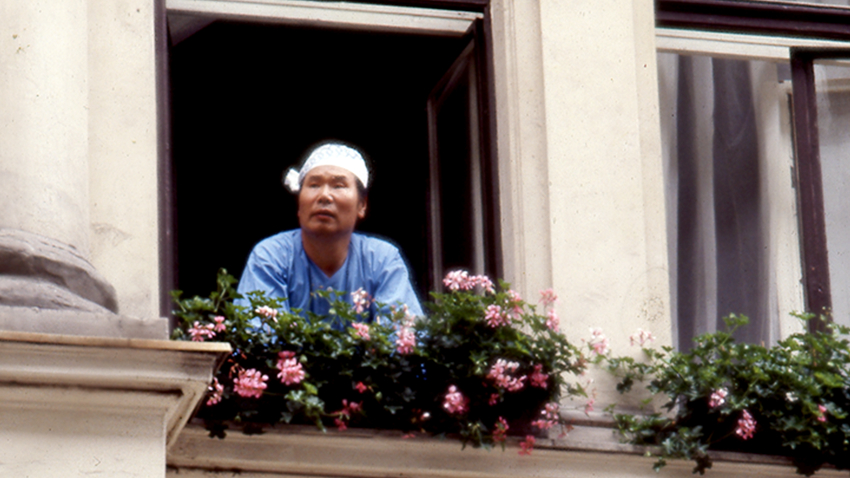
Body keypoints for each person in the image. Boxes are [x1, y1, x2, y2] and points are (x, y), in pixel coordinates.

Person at [236, 141, 423, 325]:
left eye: (338, 186)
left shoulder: (382, 260)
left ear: (362, 204)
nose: (324, 195)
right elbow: (257, 339)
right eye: (314, 185)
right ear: (299, 205)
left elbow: (402, 338)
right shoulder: (271, 256)